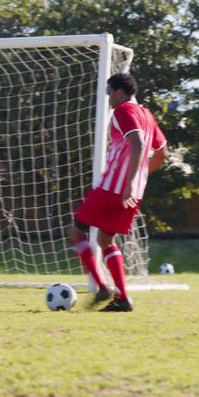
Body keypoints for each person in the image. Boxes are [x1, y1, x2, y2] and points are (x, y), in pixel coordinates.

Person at [70, 73, 167, 312]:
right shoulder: (147, 115)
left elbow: (138, 143)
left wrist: (129, 181)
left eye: (109, 93)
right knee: (106, 239)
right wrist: (139, 181)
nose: (108, 98)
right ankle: (122, 298)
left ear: (120, 93)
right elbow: (162, 154)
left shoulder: (123, 111)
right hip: (132, 194)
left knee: (76, 232)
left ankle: (103, 287)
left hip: (112, 188)